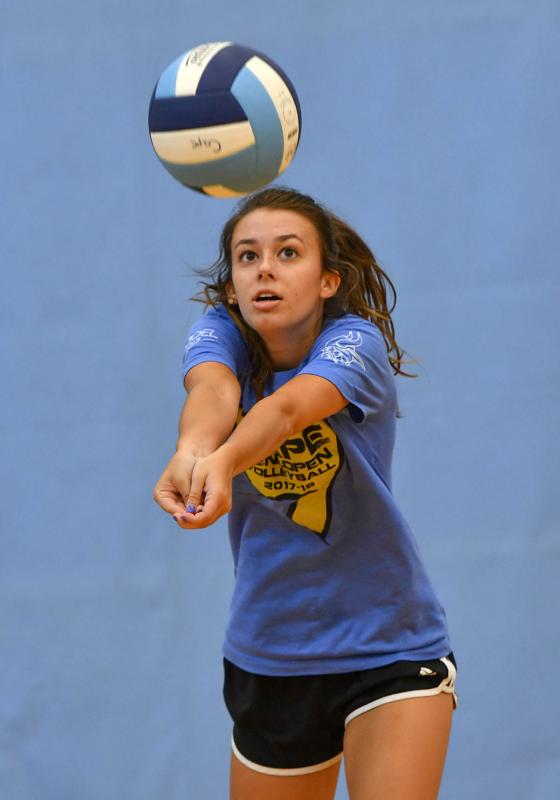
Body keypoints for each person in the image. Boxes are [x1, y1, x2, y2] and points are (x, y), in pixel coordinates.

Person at [153, 187, 457, 800]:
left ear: (327, 280)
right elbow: (211, 396)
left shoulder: (356, 344)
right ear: (233, 283)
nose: (265, 267)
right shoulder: (216, 334)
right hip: (271, 652)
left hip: (388, 643)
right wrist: (190, 454)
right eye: (247, 256)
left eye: (288, 252)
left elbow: (289, 411)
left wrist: (222, 461)